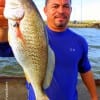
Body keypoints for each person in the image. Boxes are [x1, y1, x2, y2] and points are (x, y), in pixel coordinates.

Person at [26, 0, 98, 100]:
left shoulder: (80, 42)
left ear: (71, 10)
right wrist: (3, 29)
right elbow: (4, 49)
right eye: (55, 6)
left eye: (65, 6)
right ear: (45, 10)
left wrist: (94, 97)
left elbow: (85, 70)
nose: (61, 11)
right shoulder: (30, 37)